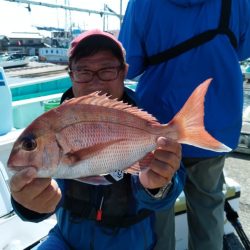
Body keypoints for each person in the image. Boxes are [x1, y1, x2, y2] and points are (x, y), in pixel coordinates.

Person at [9, 29, 185, 250]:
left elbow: (171, 191)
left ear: (124, 72)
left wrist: (158, 186)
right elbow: (41, 195)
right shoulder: (52, 124)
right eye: (83, 71)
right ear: (71, 74)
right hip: (66, 240)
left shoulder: (147, 123)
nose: (95, 83)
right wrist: (28, 204)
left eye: (107, 70)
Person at [119, 0, 250, 249]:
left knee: (156, 207)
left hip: (157, 127)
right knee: (208, 206)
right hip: (214, 124)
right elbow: (242, 49)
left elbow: (130, 63)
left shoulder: (142, 3)